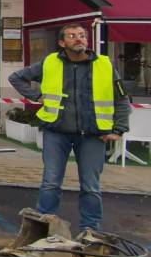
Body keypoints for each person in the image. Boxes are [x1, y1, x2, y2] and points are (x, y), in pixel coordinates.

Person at [8, 23, 130, 232]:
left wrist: (118, 129)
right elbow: (16, 78)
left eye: (82, 35)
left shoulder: (104, 64)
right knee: (51, 182)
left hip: (93, 135)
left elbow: (121, 99)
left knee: (91, 186)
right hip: (57, 132)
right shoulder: (50, 63)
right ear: (62, 43)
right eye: (72, 36)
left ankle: (90, 230)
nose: (79, 39)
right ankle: (44, 227)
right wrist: (36, 96)